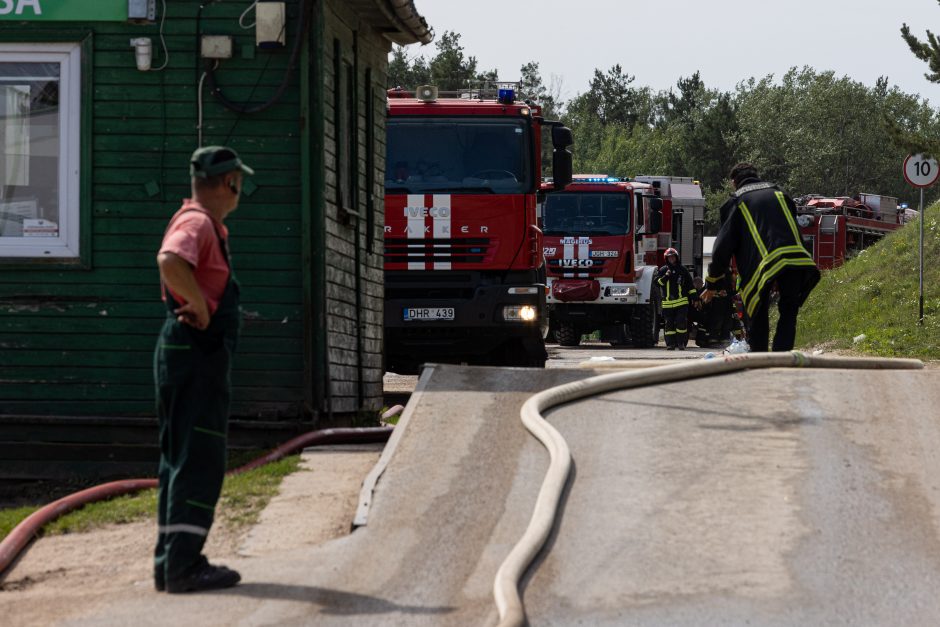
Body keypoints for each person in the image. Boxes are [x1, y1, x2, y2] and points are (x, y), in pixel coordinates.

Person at [153, 146, 253, 593]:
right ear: (228, 182)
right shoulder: (196, 222)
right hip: (194, 353)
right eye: (239, 181)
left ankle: (172, 562)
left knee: (182, 457)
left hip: (189, 354)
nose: (241, 190)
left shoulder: (204, 222)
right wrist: (197, 304)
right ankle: (184, 567)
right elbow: (171, 260)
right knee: (199, 457)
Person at [701, 163, 820, 352]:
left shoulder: (737, 201)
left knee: (758, 310)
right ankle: (782, 356)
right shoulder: (780, 193)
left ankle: (761, 359)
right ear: (756, 176)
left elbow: (722, 247)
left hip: (765, 264)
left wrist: (712, 282)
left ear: (734, 182)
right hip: (798, 260)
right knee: (789, 309)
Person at [656, 248, 698, 350]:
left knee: (681, 323)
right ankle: (670, 344)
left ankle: (681, 343)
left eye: (673, 257)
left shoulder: (683, 270)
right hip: (667, 304)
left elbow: (690, 286)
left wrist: (695, 298)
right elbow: (657, 283)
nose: (671, 259)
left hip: (681, 303)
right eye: (669, 257)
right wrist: (666, 276)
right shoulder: (663, 270)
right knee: (669, 326)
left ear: (676, 257)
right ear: (666, 258)